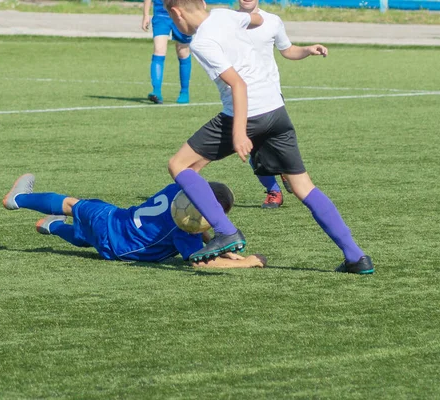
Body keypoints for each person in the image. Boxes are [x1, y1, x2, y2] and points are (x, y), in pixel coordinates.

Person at [164, 0, 373, 274]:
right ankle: (356, 257)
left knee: (179, 165)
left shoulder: (201, 41)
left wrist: (239, 132)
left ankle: (225, 231)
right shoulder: (225, 15)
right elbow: (258, 21)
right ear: (202, 3)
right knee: (303, 187)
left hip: (247, 114)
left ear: (177, 13)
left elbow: (238, 84)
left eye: (172, 18)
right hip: (276, 110)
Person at [2, 174, 266, 269]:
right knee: (86, 237)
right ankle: (45, 220)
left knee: (74, 205)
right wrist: (247, 262)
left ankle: (25, 204)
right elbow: (202, 263)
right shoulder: (185, 229)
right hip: (120, 250)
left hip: (115, 222)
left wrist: (232, 254)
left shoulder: (178, 191)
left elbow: (203, 241)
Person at [239, 0, 328, 209]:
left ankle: (286, 170)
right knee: (250, 148)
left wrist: (307, 49)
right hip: (241, 96)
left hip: (271, 95)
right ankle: (274, 191)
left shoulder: (272, 21)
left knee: (277, 146)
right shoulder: (228, 22)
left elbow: (287, 50)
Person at [142, 0, 193, 104]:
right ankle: (156, 91)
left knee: (183, 52)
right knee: (158, 50)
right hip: (161, 14)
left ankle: (184, 92)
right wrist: (146, 15)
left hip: (182, 14)